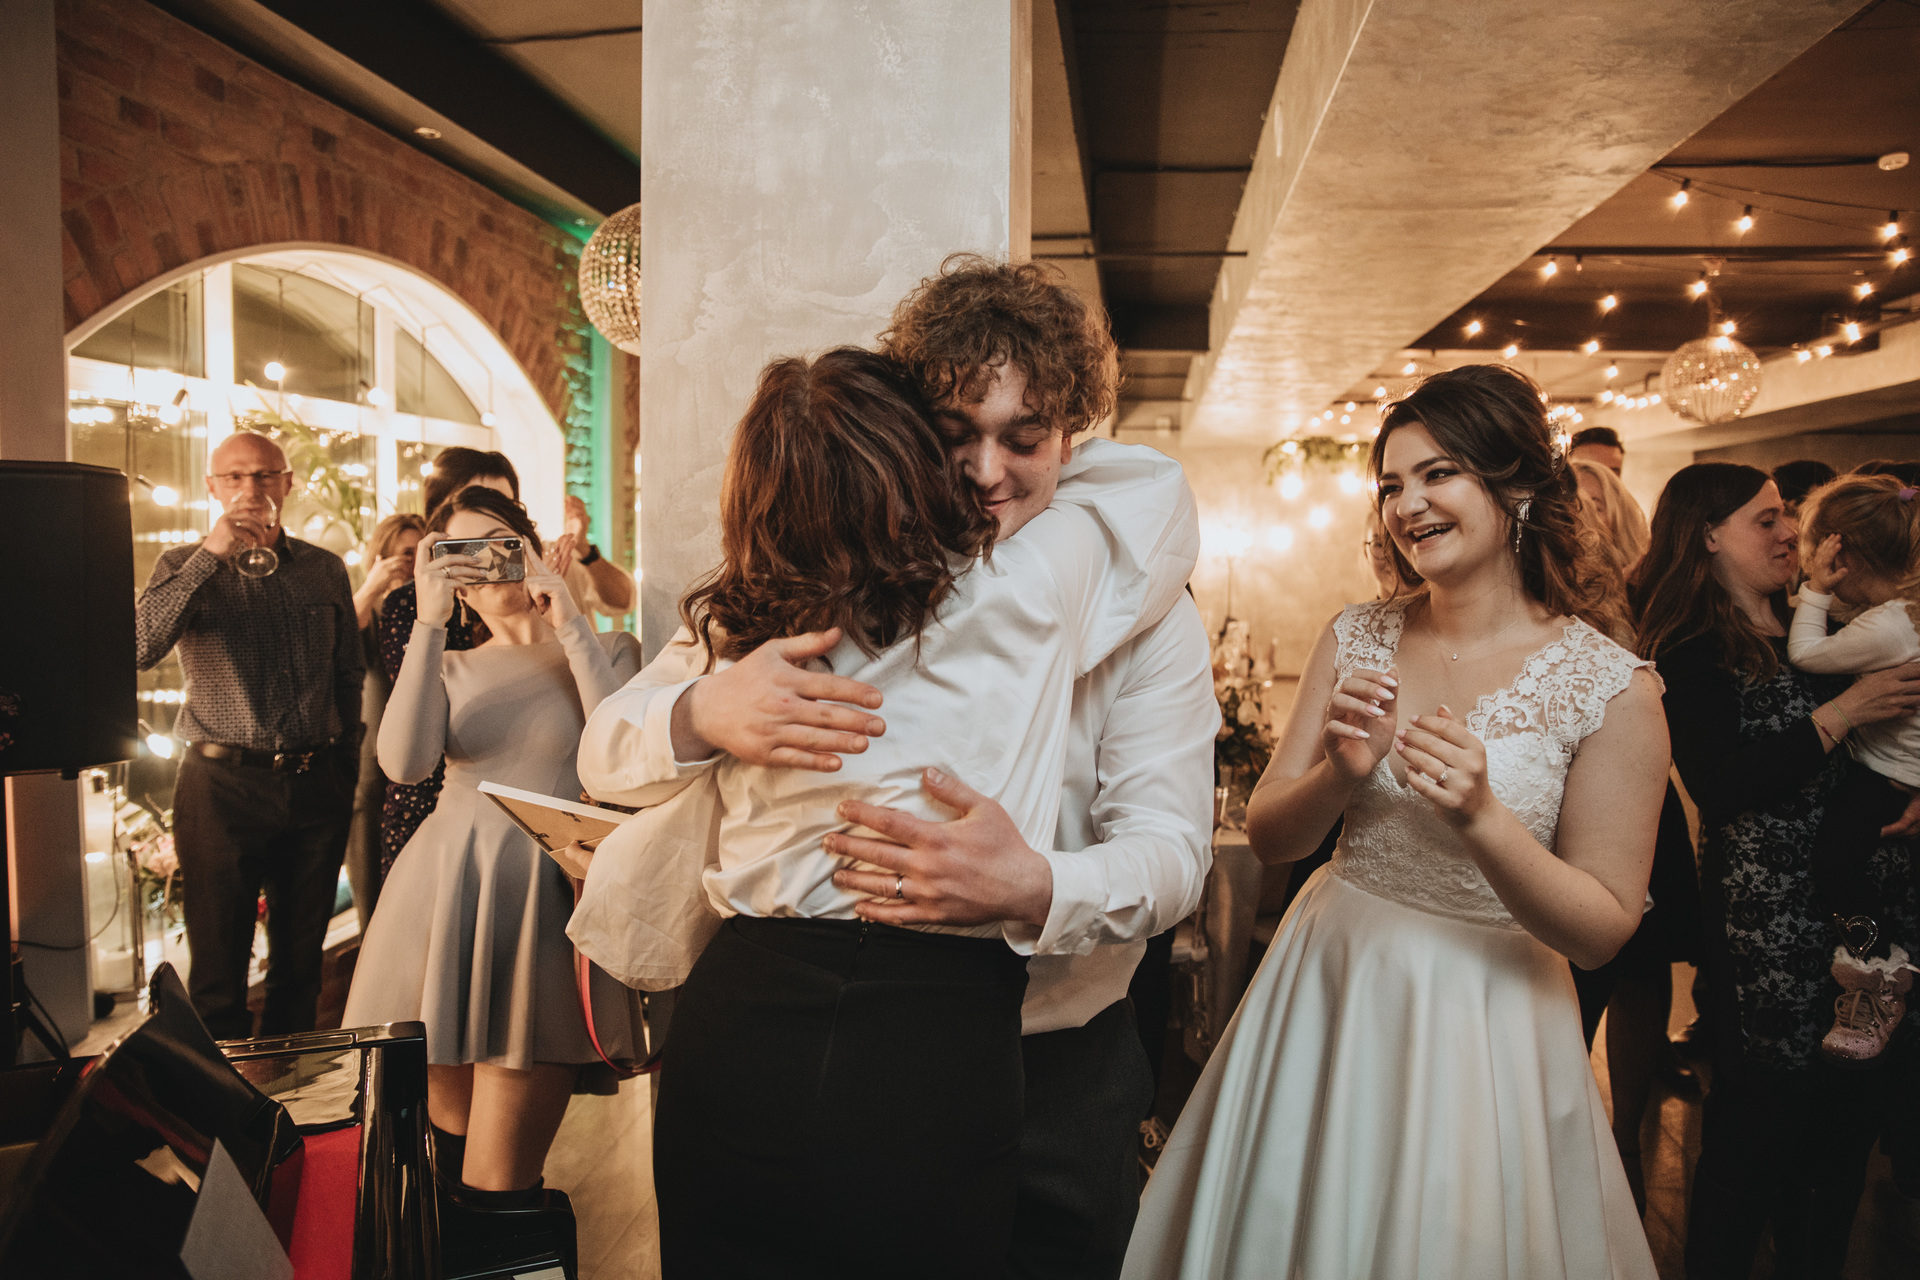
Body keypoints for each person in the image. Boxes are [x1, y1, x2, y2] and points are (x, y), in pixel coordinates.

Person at [576, 257, 1218, 1280]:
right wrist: (704, 710)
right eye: (956, 432)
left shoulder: (1142, 603)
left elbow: (1177, 853)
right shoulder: (816, 574)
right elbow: (610, 747)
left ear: (1072, 436)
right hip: (786, 1024)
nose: (986, 472)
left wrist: (1036, 884)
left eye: (1025, 438)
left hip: (1056, 1061)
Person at [1124, 364, 1668, 1279]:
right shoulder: (1356, 635)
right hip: (1335, 975)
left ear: (1517, 486)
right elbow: (1272, 837)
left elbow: (1602, 930)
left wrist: (1483, 817)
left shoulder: (1614, 688)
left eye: (1437, 474)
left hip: (1488, 1015)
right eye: (1390, 485)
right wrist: (1341, 772)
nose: (1406, 505)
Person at [1632, 462, 1920, 1278]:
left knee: (1845, 1136)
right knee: (1756, 1132)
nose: (1791, 530)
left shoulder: (1826, 624)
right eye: (1766, 520)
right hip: (1768, 927)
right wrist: (1844, 712)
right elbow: (1721, 786)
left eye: (1787, 515)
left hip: (1871, 912)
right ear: (1707, 535)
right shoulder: (1689, 652)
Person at [342, 484, 643, 1202]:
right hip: (444, 900)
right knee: (443, 1166)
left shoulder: (610, 649)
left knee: (499, 1183)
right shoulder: (446, 663)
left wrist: (568, 618)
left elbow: (623, 758)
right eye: (460, 553)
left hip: (544, 904)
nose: (483, 563)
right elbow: (404, 764)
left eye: (499, 544)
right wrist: (428, 623)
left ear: (532, 548)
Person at [133, 431, 363, 1039]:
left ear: (287, 484)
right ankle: (223, 1100)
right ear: (212, 487)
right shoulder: (180, 565)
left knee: (300, 972)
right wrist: (212, 553)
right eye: (234, 477)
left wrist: (345, 764)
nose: (250, 489)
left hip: (315, 785)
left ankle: (290, 1093)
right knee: (217, 978)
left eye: (263, 475)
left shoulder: (323, 568)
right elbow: (138, 647)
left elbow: (347, 674)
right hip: (221, 788)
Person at [1787, 474, 1920, 1063]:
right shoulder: (1902, 613)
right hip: (1905, 776)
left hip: (1886, 777)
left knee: (1834, 863)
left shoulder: (1887, 627)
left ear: (1840, 554)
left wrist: (1815, 590)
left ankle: (1876, 971)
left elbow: (1806, 653)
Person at [344, 512, 425, 926]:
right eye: (403, 554)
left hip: (423, 767)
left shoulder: (435, 615)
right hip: (372, 771)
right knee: (372, 892)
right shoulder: (370, 613)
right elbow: (339, 643)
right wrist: (374, 585)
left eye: (420, 552)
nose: (411, 562)